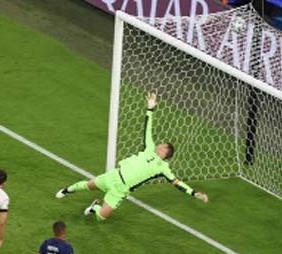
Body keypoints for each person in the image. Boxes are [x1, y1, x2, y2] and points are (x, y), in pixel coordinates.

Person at [55, 92, 209, 221]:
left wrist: (195, 193)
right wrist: (150, 108)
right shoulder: (149, 148)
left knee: (102, 217)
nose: (159, 145)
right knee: (89, 185)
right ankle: (66, 190)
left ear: (164, 152)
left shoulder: (163, 168)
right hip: (115, 175)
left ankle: (95, 206)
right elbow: (147, 129)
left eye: (162, 146)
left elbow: (177, 183)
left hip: (121, 189)